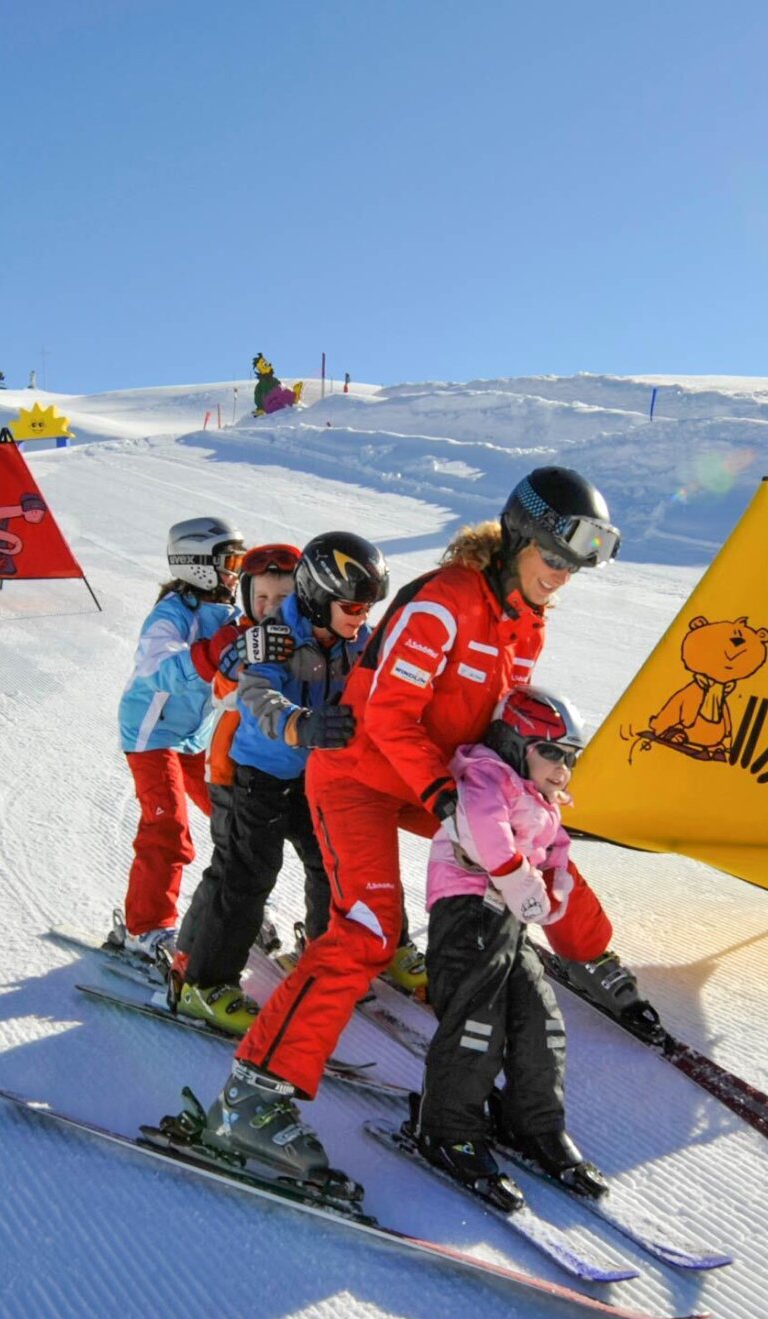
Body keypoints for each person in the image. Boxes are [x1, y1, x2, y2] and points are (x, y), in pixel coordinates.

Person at [204, 466, 622, 1183]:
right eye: (553, 559)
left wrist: (522, 785)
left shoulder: (526, 622)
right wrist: (449, 799)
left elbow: (494, 721)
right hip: (364, 774)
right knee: (365, 926)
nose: (561, 576)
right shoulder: (443, 603)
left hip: (437, 777)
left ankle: (588, 963)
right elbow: (389, 714)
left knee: (530, 840)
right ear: (520, 537)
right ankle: (251, 1094)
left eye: (572, 567)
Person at [173, 532, 385, 1033]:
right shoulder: (277, 635)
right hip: (258, 774)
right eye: (353, 605)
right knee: (249, 872)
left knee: (330, 864)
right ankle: (205, 984)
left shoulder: (355, 638)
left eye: (368, 606)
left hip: (312, 775)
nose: (361, 615)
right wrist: (298, 724)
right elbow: (256, 692)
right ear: (319, 596)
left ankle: (322, 952)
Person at [414, 685, 613, 1201]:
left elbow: (555, 848)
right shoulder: (486, 776)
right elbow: (485, 831)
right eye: (552, 753)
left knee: (540, 1020)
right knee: (477, 1017)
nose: (563, 769)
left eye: (571, 759)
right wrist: (517, 877)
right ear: (514, 742)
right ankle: (448, 1129)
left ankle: (532, 1121)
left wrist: (557, 880)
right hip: (468, 907)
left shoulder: (541, 800)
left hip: (508, 916)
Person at [113, 517, 246, 959]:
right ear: (197, 564)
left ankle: (234, 905)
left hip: (195, 736)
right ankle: (144, 928)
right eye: (229, 562)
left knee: (237, 816)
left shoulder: (230, 612)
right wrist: (209, 654)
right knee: (167, 827)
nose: (235, 572)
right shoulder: (171, 613)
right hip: (152, 734)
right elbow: (155, 667)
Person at [182, 543, 303, 966]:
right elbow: (220, 690)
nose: (271, 608)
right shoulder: (238, 636)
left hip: (283, 773)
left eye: (283, 598)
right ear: (248, 597)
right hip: (231, 773)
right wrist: (239, 664)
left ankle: (244, 924)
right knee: (230, 866)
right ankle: (188, 951)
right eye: (262, 598)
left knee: (259, 864)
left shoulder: (304, 635)